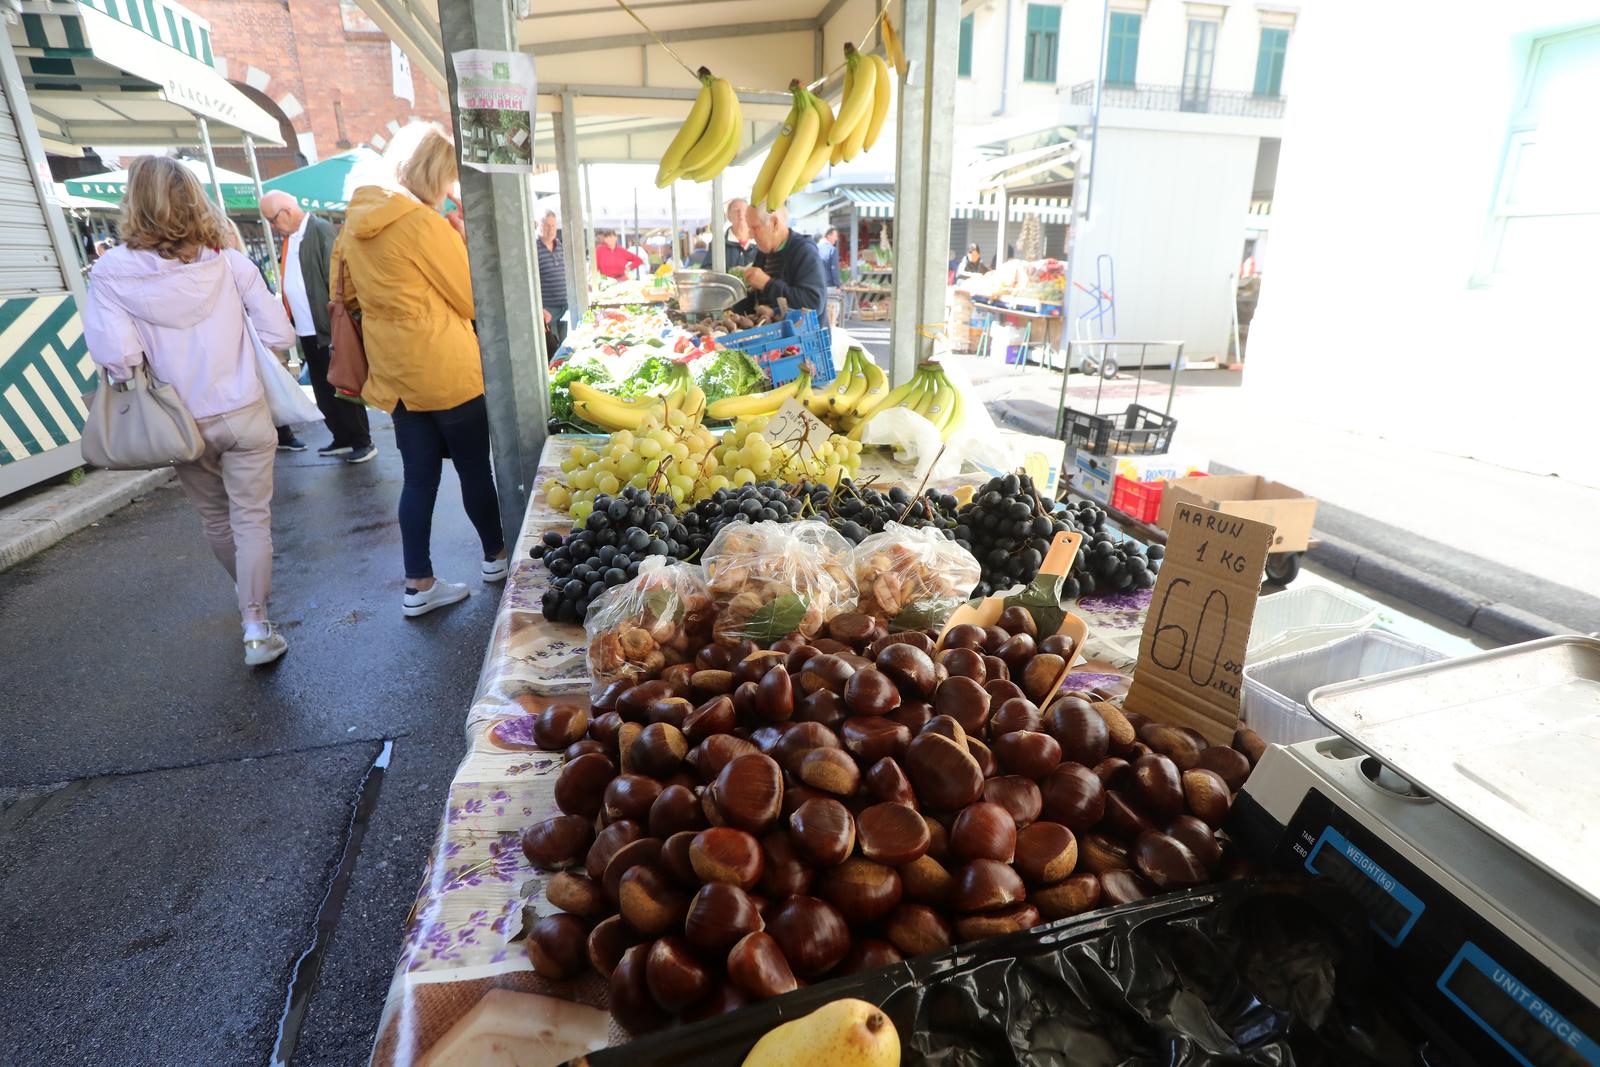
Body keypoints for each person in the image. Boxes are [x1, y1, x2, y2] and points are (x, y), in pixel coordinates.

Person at [82, 155, 296, 667]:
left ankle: (251, 612)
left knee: (215, 519)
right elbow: (280, 335)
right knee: (251, 520)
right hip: (243, 408)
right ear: (193, 199)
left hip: (179, 419)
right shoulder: (228, 261)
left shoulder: (111, 273)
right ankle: (255, 623)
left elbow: (120, 359)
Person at [333, 122, 508, 617]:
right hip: (446, 368)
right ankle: (496, 558)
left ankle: (418, 583)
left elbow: (344, 296)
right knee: (475, 469)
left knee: (417, 479)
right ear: (434, 173)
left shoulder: (355, 222)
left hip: (396, 376)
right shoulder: (423, 223)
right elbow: (470, 299)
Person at [260, 190, 375, 463]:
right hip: (307, 328)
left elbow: (337, 278)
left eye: (273, 220)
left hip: (327, 326)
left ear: (286, 212)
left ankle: (361, 440)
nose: (273, 227)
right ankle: (343, 437)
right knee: (324, 389)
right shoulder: (293, 238)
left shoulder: (320, 230)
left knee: (343, 384)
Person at [733, 203, 826, 314]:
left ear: (774, 223)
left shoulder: (804, 251)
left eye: (755, 228)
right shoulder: (763, 253)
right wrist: (733, 307)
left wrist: (767, 284)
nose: (751, 235)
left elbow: (813, 303)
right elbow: (757, 300)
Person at [536, 210, 569, 346]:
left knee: (567, 344)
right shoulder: (533, 248)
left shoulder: (560, 246)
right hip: (548, 309)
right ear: (539, 225)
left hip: (565, 306)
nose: (551, 229)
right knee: (553, 345)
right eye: (547, 225)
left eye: (553, 226)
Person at [817, 226, 842, 326]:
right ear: (829, 235)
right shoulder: (832, 250)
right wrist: (838, 285)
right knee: (833, 311)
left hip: (817, 285)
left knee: (821, 311)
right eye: (835, 236)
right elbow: (834, 269)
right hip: (830, 285)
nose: (836, 239)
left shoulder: (815, 247)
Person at [724, 198, 757, 268]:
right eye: (736, 210)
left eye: (744, 210)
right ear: (728, 216)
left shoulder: (760, 240)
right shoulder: (719, 243)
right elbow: (709, 269)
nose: (740, 213)